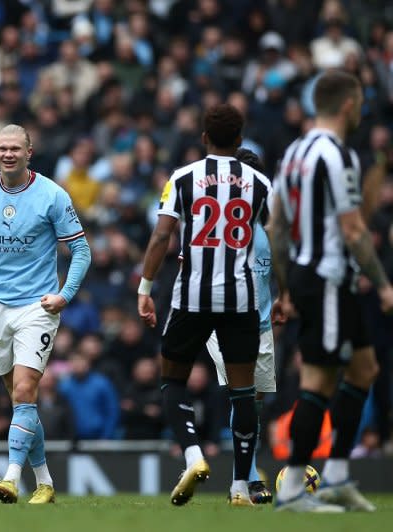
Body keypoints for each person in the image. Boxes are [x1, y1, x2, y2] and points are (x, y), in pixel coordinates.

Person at [270, 70, 393, 513]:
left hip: (311, 276)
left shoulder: (293, 153)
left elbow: (275, 226)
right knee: (318, 381)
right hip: (327, 278)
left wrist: (284, 287)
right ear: (347, 105)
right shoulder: (338, 156)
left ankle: (337, 476)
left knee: (365, 369)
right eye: (359, 102)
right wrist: (383, 284)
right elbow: (354, 227)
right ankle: (292, 491)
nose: (361, 110)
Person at [138, 104, 272, 507]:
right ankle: (239, 488)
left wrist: (145, 286)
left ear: (203, 137)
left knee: (172, 380)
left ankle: (193, 456)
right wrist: (283, 299)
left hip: (192, 297)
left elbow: (162, 237)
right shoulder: (261, 183)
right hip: (241, 299)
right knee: (243, 392)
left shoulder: (182, 178)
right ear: (240, 139)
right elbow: (276, 239)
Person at [0, 123, 91, 504]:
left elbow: (82, 251)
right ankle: (45, 483)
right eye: (2, 148)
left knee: (24, 391)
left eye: (15, 148)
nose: (8, 154)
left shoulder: (52, 195)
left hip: (37, 307)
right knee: (22, 405)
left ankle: (11, 477)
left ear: (29, 152)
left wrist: (64, 296)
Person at [204, 147, 282, 504]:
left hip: (261, 323)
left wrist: (285, 298)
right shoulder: (217, 225)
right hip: (223, 322)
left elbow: (274, 272)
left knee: (257, 401)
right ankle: (247, 479)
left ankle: (246, 474)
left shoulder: (268, 227)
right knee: (244, 393)